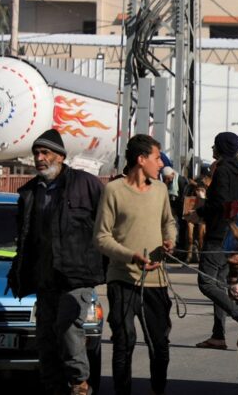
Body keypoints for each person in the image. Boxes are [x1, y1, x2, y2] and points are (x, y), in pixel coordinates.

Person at [8, 128, 105, 395]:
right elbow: (25, 237)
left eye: (45, 152)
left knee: (67, 330)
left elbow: (108, 225)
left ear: (60, 156)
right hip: (45, 277)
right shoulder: (29, 192)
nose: (39, 158)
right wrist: (18, 271)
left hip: (77, 275)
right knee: (46, 339)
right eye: (36, 153)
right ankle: (53, 387)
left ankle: (79, 384)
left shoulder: (86, 184)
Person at [94, 134, 178, 395]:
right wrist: (131, 256)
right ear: (141, 160)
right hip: (123, 279)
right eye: (157, 158)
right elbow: (101, 237)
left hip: (157, 281)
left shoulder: (161, 190)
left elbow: (169, 222)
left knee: (159, 347)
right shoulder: (113, 191)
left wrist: (169, 240)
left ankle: (158, 390)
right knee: (123, 341)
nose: (161, 163)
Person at [187, 132, 238, 350]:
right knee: (219, 284)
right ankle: (218, 335)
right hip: (236, 235)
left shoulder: (222, 170)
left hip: (218, 235)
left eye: (214, 146)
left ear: (221, 148)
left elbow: (219, 203)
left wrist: (200, 212)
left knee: (206, 282)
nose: (212, 149)